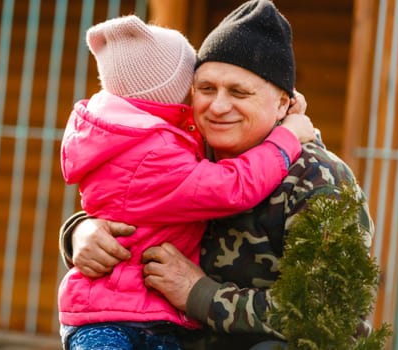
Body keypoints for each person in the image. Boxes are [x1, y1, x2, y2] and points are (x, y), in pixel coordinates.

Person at [58, 1, 374, 349]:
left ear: (284, 103)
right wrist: (80, 233)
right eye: (206, 89)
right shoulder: (182, 151)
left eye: (239, 92)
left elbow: (333, 317)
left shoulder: (319, 181)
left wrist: (201, 295)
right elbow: (133, 206)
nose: (218, 106)